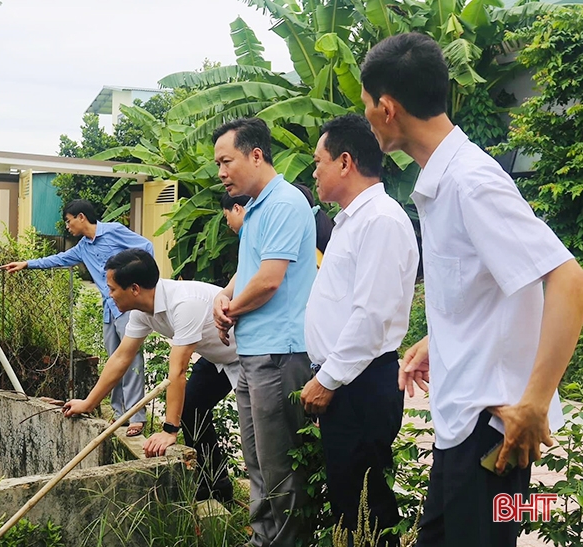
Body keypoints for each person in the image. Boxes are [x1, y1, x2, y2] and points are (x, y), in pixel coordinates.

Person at [360, 33, 583, 546]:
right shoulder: (444, 181)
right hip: (461, 429)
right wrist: (438, 339)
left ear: (388, 108)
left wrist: (535, 401)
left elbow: (567, 280)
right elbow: (490, 292)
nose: (368, 116)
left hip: (490, 437)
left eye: (368, 104)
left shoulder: (471, 182)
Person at [299, 114, 418, 545]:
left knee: (367, 504)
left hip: (359, 383)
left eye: (319, 161)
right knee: (351, 502)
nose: (314, 172)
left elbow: (371, 315)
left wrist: (327, 379)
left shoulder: (380, 221)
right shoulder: (353, 220)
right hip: (347, 381)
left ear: (345, 162)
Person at [212, 117, 317, 547]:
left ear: (256, 155)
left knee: (280, 467)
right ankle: (262, 539)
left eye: (226, 161)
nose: (221, 172)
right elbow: (249, 270)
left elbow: (271, 279)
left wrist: (231, 310)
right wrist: (224, 297)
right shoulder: (256, 207)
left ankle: (286, 542)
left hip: (280, 353)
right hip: (254, 354)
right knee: (256, 461)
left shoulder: (283, 204)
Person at [62, 248, 239, 502]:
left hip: (247, 357)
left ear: (134, 288)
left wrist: (169, 430)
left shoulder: (184, 303)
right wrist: (89, 403)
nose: (109, 295)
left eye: (112, 289)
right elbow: (121, 358)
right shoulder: (141, 311)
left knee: (254, 429)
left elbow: (177, 370)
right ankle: (215, 483)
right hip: (217, 356)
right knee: (192, 408)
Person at [2, 199, 154, 437]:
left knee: (131, 359)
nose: (67, 226)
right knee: (114, 359)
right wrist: (27, 264)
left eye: (68, 220)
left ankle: (136, 416)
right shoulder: (83, 247)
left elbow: (146, 246)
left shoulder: (113, 230)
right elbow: (58, 259)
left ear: (81, 217)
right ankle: (118, 413)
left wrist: (138, 282)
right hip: (109, 308)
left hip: (128, 307)